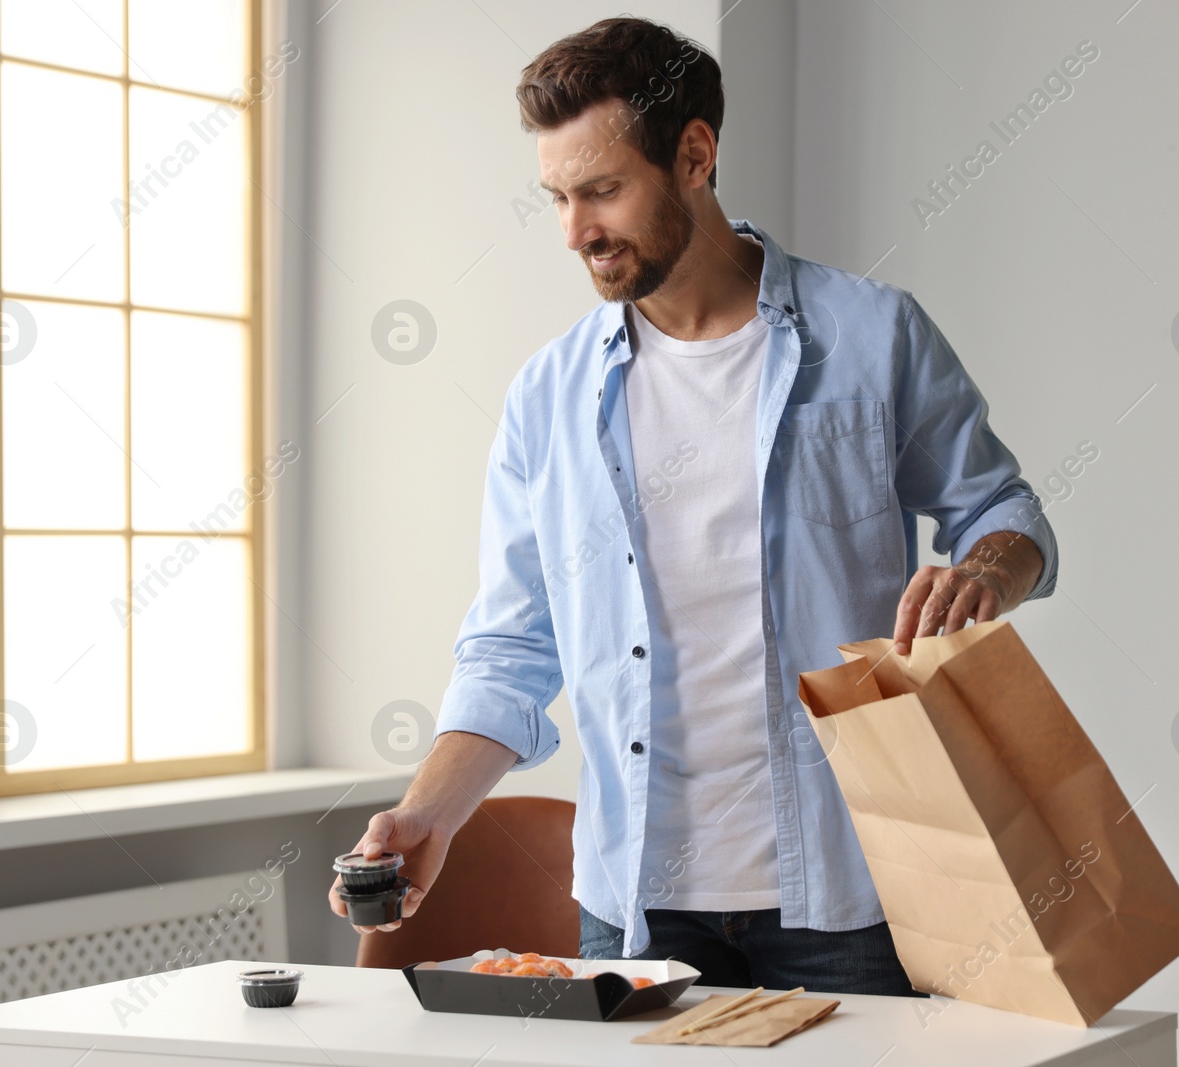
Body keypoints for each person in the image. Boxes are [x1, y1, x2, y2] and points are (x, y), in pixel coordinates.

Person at [329, 16, 1057, 996]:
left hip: (850, 890)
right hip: (635, 901)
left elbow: (1003, 512)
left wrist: (981, 571)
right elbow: (511, 644)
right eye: (556, 197)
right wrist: (427, 815)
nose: (576, 229)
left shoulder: (871, 335)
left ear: (695, 155)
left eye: (601, 190)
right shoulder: (548, 397)